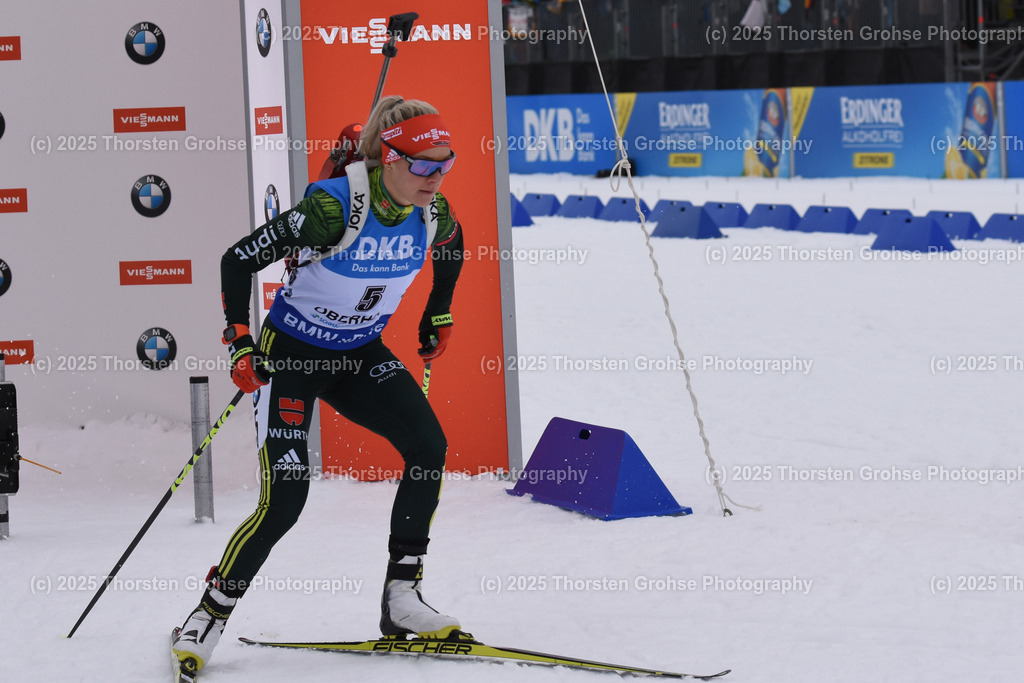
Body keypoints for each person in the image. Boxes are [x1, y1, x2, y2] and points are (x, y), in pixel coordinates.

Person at [172, 95, 466, 674]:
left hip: (359, 355)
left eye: (445, 164)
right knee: (285, 499)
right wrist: (240, 345)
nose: (436, 177)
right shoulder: (333, 210)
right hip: (294, 357)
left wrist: (439, 311)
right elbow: (237, 260)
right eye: (425, 165)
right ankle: (209, 613)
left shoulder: (433, 212)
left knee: (428, 449)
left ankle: (402, 599)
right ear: (390, 158)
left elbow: (453, 249)